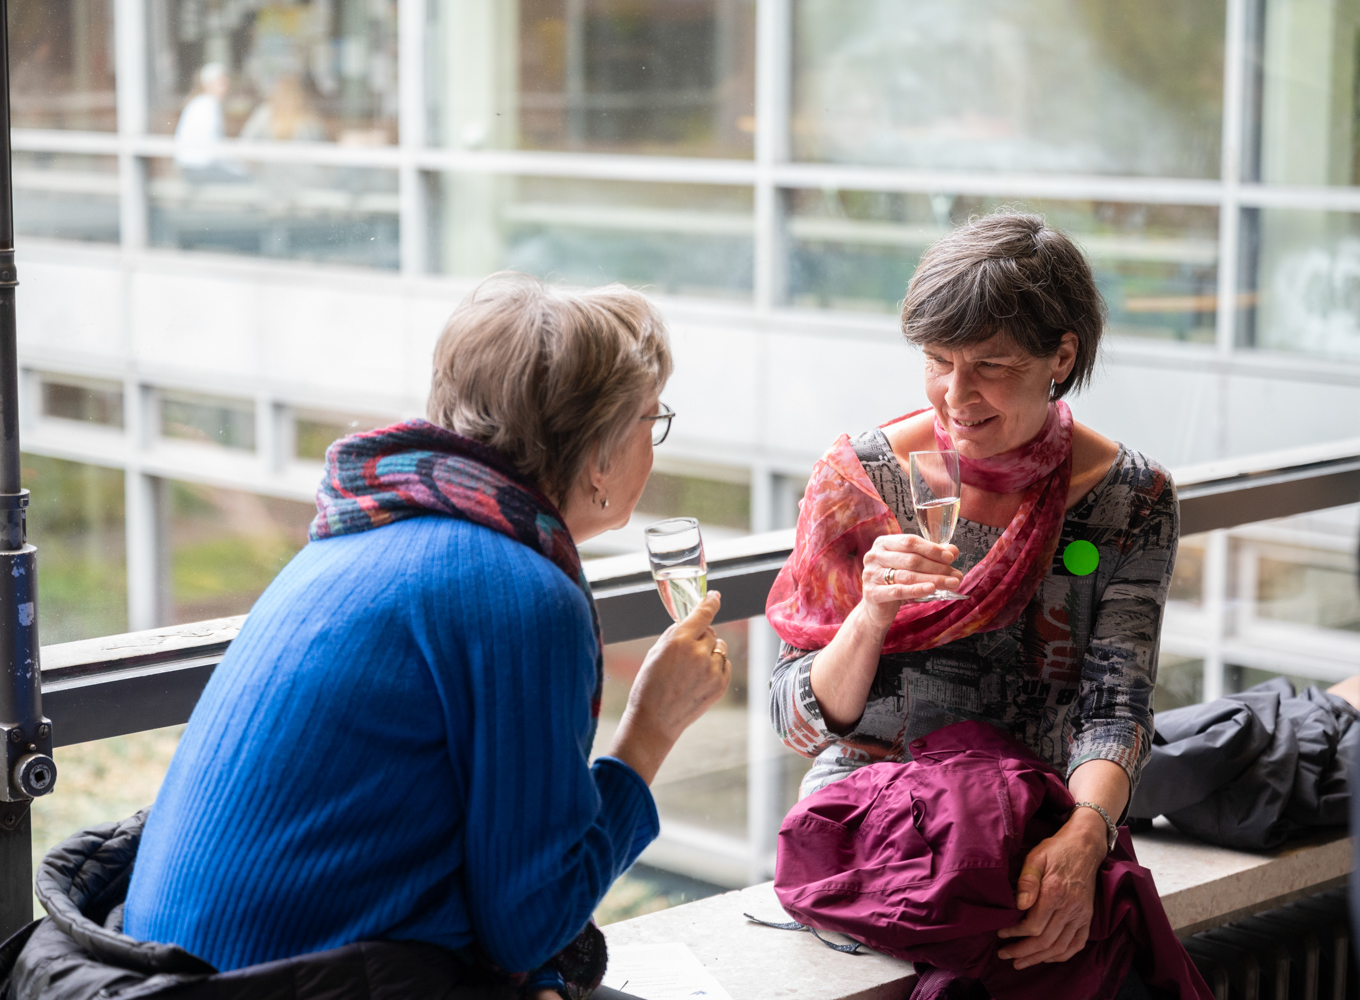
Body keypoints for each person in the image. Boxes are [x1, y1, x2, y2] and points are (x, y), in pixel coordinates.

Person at [118, 274, 732, 998]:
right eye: (649, 421)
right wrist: (651, 729)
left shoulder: (361, 536)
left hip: (166, 975)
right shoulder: (522, 594)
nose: (652, 446)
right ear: (598, 455)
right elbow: (530, 923)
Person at [766, 212, 1178, 980]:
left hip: (1035, 828)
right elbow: (790, 718)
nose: (956, 396)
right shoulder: (859, 481)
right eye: (936, 361)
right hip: (876, 835)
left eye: (990, 365)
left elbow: (1115, 705)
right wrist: (870, 614)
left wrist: (1084, 835)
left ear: (1061, 354)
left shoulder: (1130, 497)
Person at [173, 63, 245, 183]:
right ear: (209, 85)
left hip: (194, 168)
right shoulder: (208, 105)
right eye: (221, 83)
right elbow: (213, 147)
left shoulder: (202, 103)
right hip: (200, 169)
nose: (226, 87)